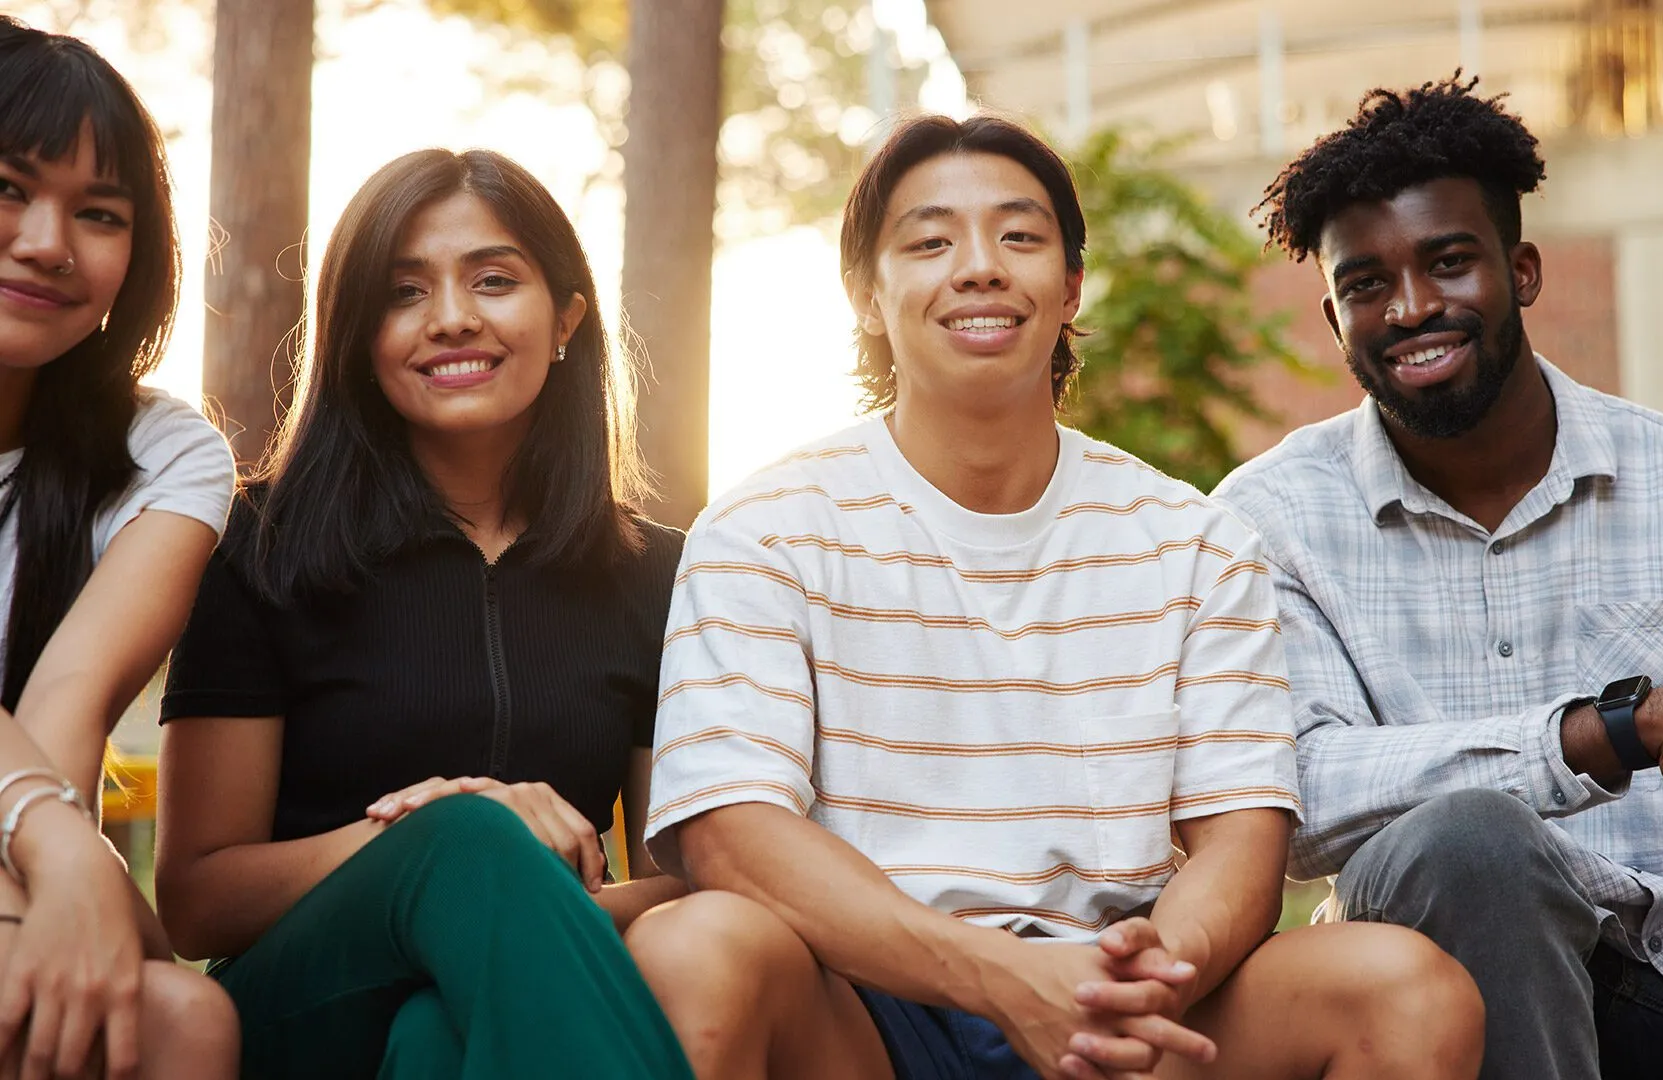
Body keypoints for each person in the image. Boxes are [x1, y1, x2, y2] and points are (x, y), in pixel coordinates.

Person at [624, 113, 1485, 1080]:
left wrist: (1142, 982)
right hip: (866, 1009)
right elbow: (732, 839)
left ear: (1071, 286)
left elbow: (1240, 843)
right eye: (931, 240)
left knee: (1407, 990)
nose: (980, 266)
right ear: (867, 294)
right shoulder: (764, 527)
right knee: (694, 949)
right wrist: (995, 976)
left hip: (1120, 997)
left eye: (1020, 236)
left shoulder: (1194, 541)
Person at [1214, 74, 1663, 1079]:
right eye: (1366, 284)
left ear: (1524, 270)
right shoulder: (1266, 521)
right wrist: (1614, 729)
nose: (1412, 307)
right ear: (1333, 320)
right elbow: (1300, 794)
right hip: (1446, 982)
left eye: (1449, 262)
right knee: (1467, 842)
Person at [153, 147, 693, 1080]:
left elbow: (678, 879)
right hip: (302, 1003)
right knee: (467, 838)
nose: (451, 319)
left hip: (516, 993)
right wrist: (438, 843)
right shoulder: (254, 544)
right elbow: (198, 899)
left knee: (438, 1041)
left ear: (566, 319)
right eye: (404, 293)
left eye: (493, 280)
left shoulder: (660, 574)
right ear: (359, 333)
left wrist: (513, 904)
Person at [0, 18, 240, 1080]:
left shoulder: (164, 454)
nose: (49, 242)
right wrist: (63, 855)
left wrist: (64, 879)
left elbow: (69, 704)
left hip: (21, 849)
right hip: (31, 849)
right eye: (8, 186)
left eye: (99, 214)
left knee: (186, 1021)